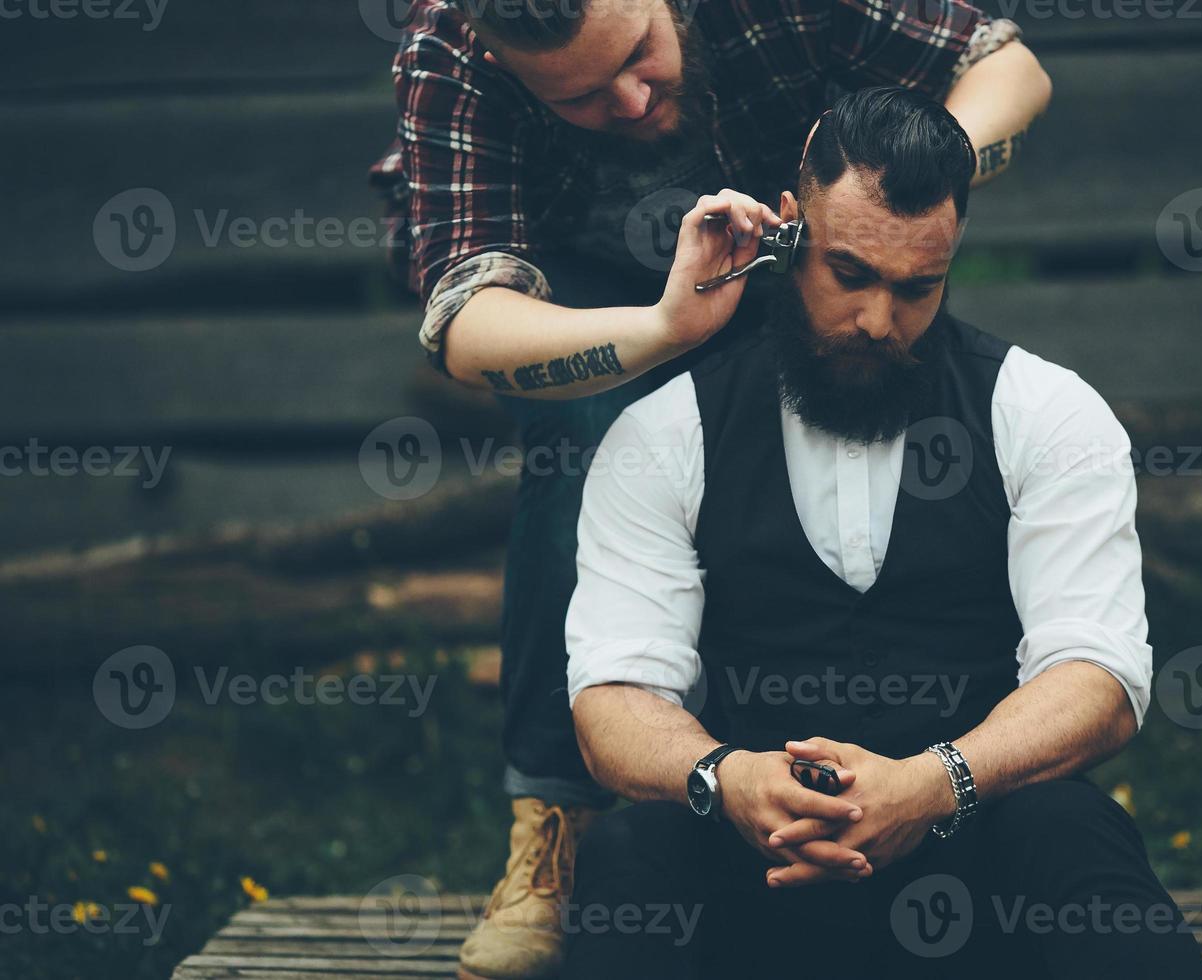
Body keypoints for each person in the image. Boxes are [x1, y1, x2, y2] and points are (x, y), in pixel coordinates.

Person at [370, 2, 1053, 977]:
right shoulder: (451, 54)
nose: (635, 99)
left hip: (789, 236)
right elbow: (469, 327)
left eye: (640, 55)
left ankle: (963, 762)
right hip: (574, 291)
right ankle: (558, 820)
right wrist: (657, 332)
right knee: (584, 438)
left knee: (874, 378)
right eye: (581, 95)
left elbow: (1013, 70)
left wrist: (877, 191)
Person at [560, 86, 1202, 979]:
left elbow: (1097, 676)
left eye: (917, 288)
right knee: (632, 854)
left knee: (1072, 832)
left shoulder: (1046, 412)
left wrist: (933, 784)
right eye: (851, 275)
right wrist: (728, 777)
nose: (877, 321)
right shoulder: (666, 434)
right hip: (760, 876)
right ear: (789, 229)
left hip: (971, 869)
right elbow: (612, 700)